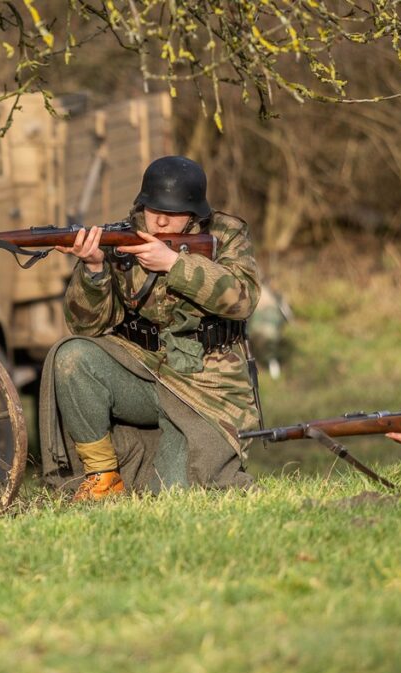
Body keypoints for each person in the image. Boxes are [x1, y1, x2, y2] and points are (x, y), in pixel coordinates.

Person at [39, 155, 261, 501]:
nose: (159, 220)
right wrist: (94, 269)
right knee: (72, 357)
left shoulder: (226, 234)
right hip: (140, 368)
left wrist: (174, 264)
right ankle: (102, 477)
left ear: (195, 215)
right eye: (153, 209)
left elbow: (242, 298)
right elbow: (86, 326)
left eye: (172, 213)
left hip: (207, 383)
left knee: (172, 495)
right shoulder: (123, 236)